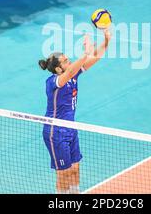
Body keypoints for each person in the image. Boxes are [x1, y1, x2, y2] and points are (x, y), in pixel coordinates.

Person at [39, 30, 111, 194]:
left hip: (70, 128)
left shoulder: (72, 75)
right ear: (58, 68)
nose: (69, 61)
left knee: (75, 169)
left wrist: (106, 40)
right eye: (65, 60)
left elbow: (96, 57)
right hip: (55, 131)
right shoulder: (53, 82)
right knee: (63, 173)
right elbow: (71, 71)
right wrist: (85, 53)